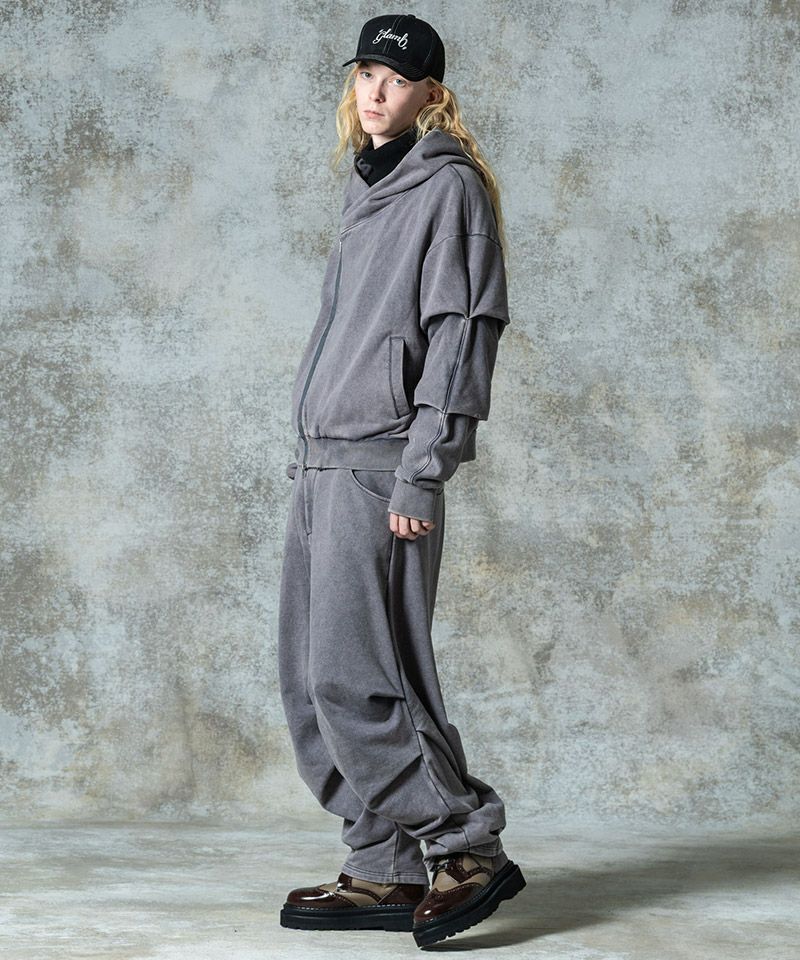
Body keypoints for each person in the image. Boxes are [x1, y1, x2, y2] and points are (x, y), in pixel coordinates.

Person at [277, 13, 525, 948]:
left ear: (430, 93)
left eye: (396, 78)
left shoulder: (446, 188)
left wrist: (422, 474)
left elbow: (459, 335)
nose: (375, 91)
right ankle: (382, 862)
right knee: (311, 684)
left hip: (382, 466)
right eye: (365, 74)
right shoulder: (369, 184)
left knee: (364, 677)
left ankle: (466, 848)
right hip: (322, 463)